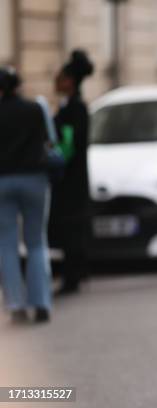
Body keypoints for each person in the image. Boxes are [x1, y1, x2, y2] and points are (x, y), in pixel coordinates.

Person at [0, 66, 53, 323]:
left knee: (7, 244)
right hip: (34, 179)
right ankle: (41, 303)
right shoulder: (35, 109)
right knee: (36, 242)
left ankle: (16, 306)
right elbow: (48, 142)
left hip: (2, 182)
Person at [48, 50, 94, 295]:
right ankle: (74, 271)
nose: (55, 81)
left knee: (71, 224)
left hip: (70, 177)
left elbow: (68, 143)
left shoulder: (75, 108)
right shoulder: (71, 106)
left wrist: (54, 157)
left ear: (70, 81)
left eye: (60, 77)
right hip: (71, 176)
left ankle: (73, 274)